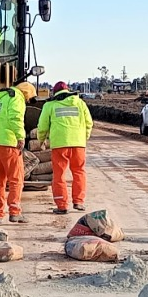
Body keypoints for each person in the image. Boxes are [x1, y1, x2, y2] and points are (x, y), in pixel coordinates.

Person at [36, 81, 93, 214]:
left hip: (59, 145)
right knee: (79, 172)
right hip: (78, 145)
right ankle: (78, 202)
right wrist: (83, 138)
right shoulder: (80, 103)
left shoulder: (50, 105)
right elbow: (89, 123)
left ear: (55, 93)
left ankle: (62, 205)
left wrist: (41, 140)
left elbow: (42, 125)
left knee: (59, 174)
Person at [0, 81, 36, 224]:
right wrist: (20, 136)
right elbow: (15, 118)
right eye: (29, 98)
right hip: (8, 142)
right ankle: (15, 213)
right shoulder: (16, 97)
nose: (27, 101)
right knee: (16, 179)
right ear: (26, 94)